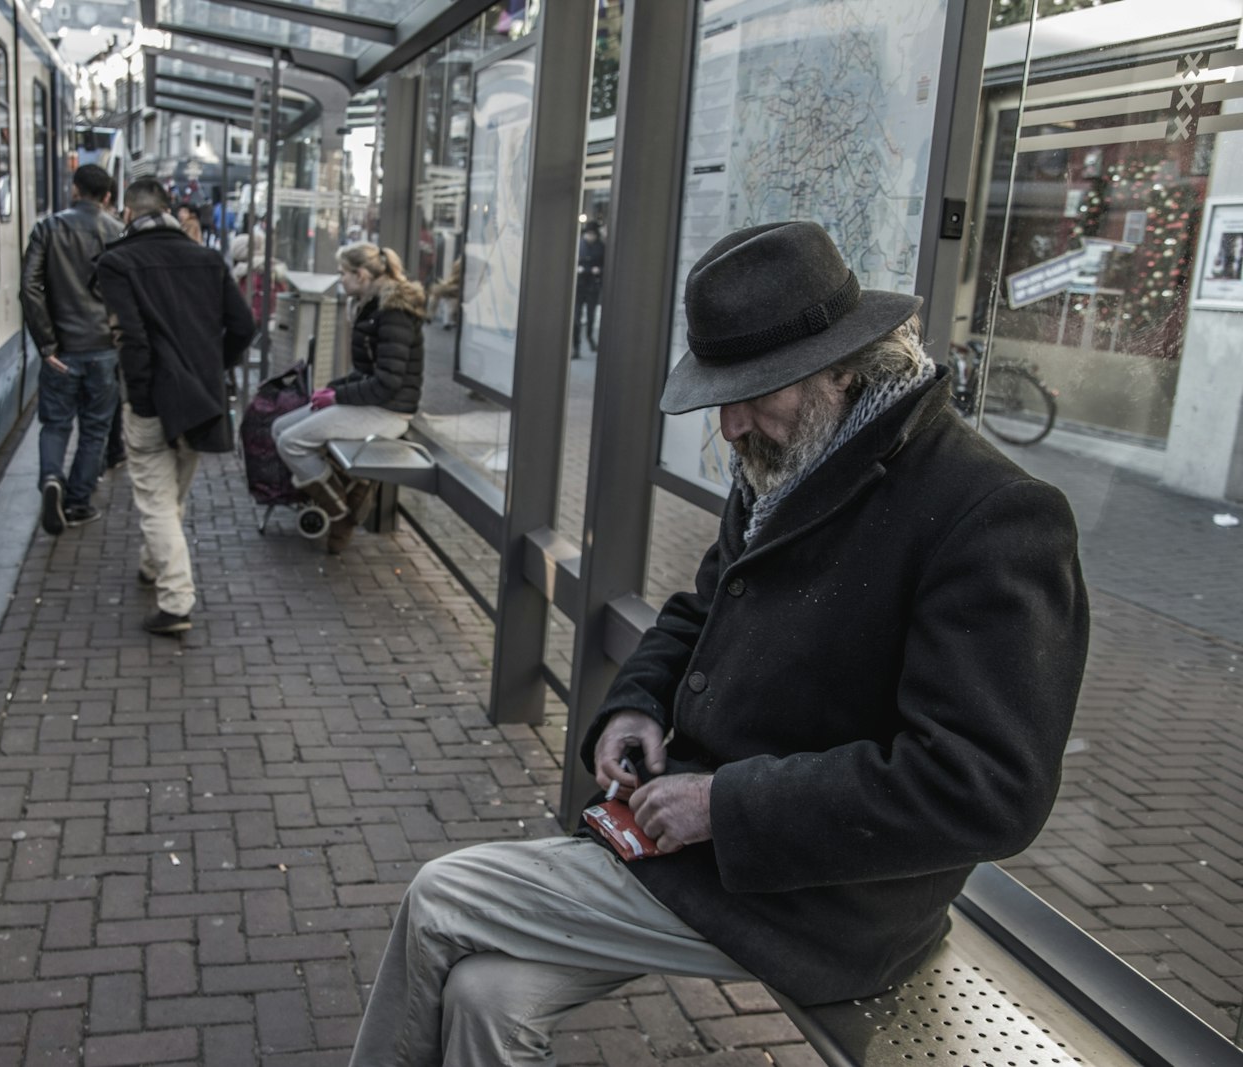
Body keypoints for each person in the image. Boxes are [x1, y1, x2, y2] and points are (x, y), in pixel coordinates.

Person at [346, 221, 1091, 1066]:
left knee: (441, 894)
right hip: (709, 848)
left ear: (842, 366)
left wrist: (725, 804)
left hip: (819, 900)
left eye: (753, 391)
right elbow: (703, 606)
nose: (731, 426)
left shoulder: (992, 514)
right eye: (721, 394)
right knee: (488, 997)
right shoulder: (801, 452)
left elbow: (987, 788)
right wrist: (633, 704)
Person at [96, 179, 255, 636]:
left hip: (150, 402)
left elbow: (130, 337)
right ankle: (152, 564)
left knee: (155, 501)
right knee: (175, 495)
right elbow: (244, 325)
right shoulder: (206, 259)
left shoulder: (117, 262)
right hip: (200, 399)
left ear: (128, 215)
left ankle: (176, 600)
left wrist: (142, 397)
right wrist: (212, 366)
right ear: (170, 212)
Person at [272, 243, 426, 555]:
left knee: (291, 441)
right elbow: (367, 372)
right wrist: (332, 389)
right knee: (280, 428)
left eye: (343, 273)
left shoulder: (393, 311)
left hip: (388, 411)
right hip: (374, 402)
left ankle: (340, 513)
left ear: (362, 274)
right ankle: (349, 495)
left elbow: (387, 382)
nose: (340, 280)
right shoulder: (372, 305)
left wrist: (337, 395)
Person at [21, 163, 124, 534]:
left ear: (75, 190)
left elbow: (30, 288)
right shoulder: (119, 232)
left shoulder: (48, 228)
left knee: (55, 423)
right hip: (104, 348)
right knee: (96, 428)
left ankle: (51, 478)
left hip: (61, 350)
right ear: (108, 197)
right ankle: (78, 502)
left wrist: (46, 342)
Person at [572, 221, 604, 358]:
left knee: (591, 317)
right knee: (576, 318)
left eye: (592, 234)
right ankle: (576, 347)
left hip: (592, 286)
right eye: (588, 234)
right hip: (579, 286)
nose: (590, 236)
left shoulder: (601, 247)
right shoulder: (579, 245)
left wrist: (598, 270)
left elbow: (605, 265)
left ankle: (590, 338)